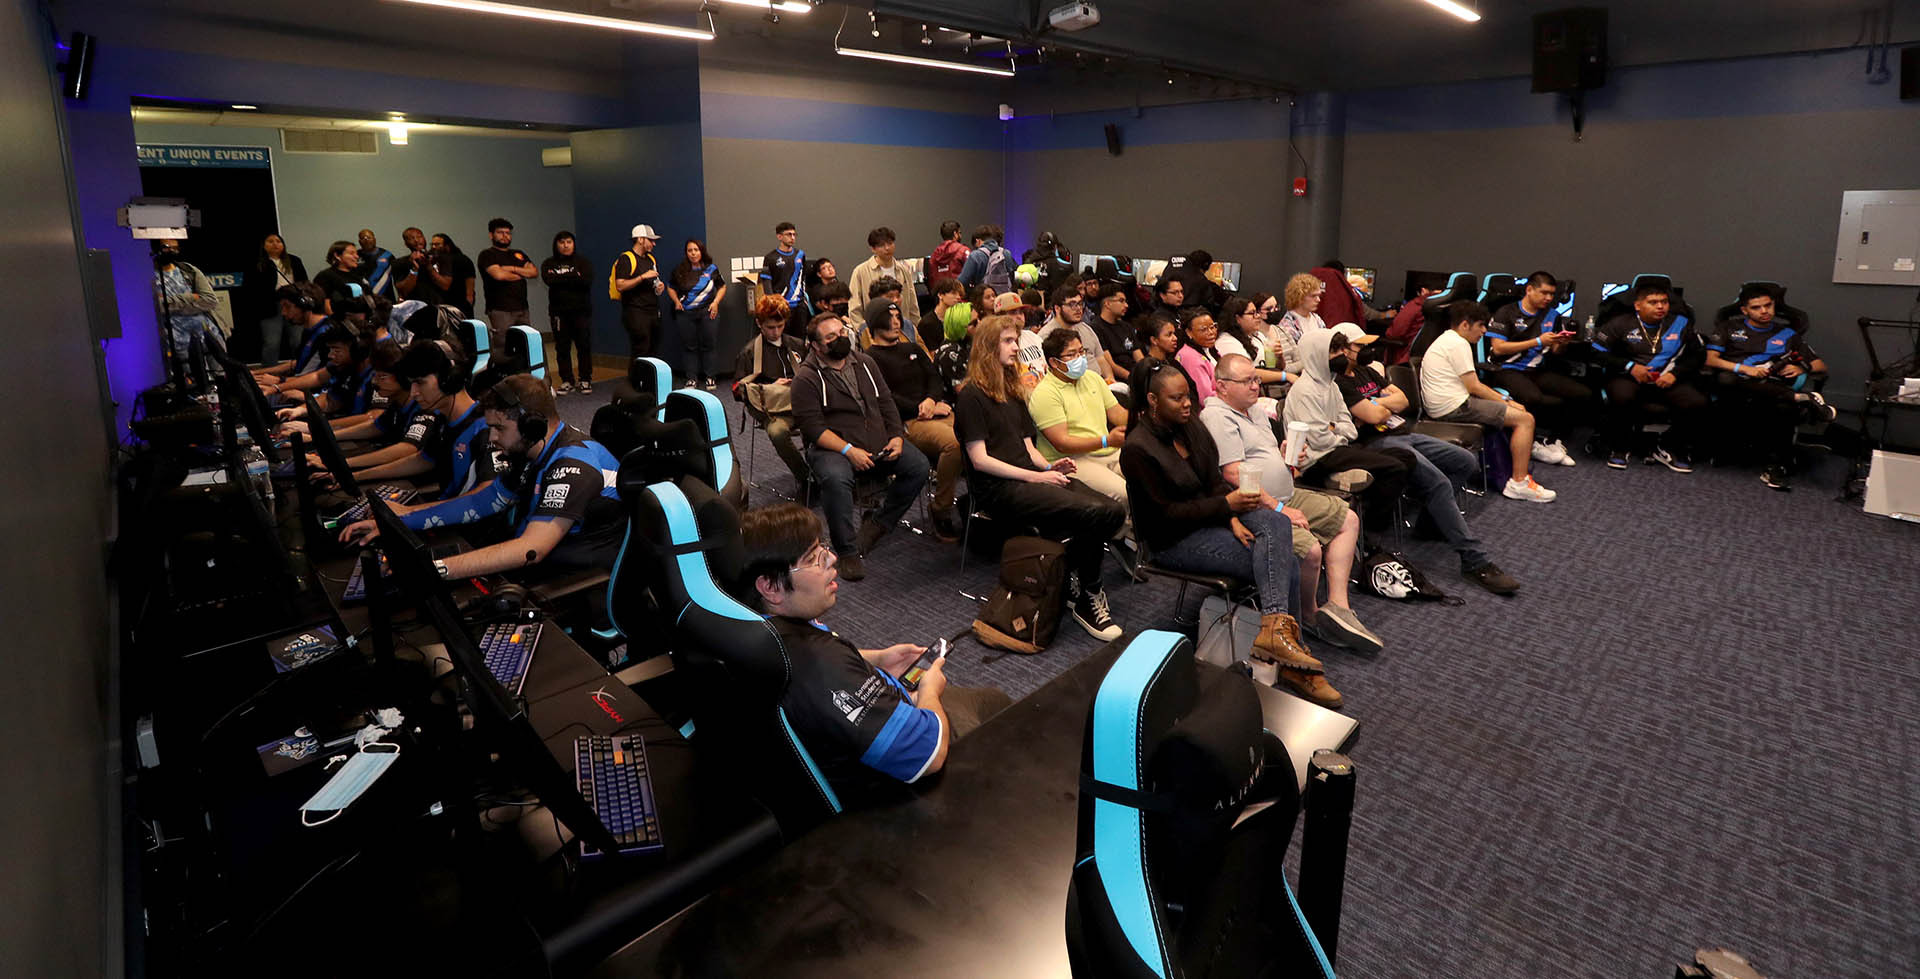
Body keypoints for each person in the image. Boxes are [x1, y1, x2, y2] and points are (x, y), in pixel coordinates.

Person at [732, 504, 1012, 793]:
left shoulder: (751, 627)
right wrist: (929, 690)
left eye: (822, 548)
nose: (831, 558)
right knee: (998, 713)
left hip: (865, 719)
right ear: (770, 587)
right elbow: (929, 756)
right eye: (813, 557)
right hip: (900, 777)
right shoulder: (820, 663)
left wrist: (876, 659)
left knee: (992, 699)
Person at [1119, 361, 1340, 708]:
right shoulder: (1138, 449)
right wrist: (1227, 509)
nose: (1187, 403)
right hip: (1172, 541)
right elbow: (1166, 516)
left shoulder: (1189, 427)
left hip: (1211, 519)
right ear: (1152, 400)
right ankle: (1292, 659)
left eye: (1188, 395)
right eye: (1176, 399)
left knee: (1276, 525)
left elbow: (1213, 482)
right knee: (1283, 560)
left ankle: (1277, 634)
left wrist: (1232, 516)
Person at [341, 374, 623, 579]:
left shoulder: (574, 465)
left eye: (499, 428)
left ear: (532, 425)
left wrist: (436, 569)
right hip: (548, 566)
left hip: (576, 580)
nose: (492, 438)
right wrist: (404, 517)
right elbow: (479, 503)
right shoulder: (534, 450)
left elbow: (531, 549)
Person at [954, 316, 1127, 641]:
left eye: (1015, 341)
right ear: (988, 347)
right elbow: (981, 461)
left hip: (1029, 478)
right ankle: (1088, 594)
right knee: (1096, 512)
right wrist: (1036, 478)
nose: (1016, 347)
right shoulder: (971, 396)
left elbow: (1028, 447)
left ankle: (1067, 577)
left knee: (1111, 509)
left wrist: (1048, 469)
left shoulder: (1012, 391)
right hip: (998, 489)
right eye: (1008, 341)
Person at [1202, 353, 1381, 649]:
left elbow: (1264, 456)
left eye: (1256, 378)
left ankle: (1338, 607)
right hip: (1253, 506)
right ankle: (1309, 615)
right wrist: (1281, 509)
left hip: (1286, 492)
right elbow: (1234, 475)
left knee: (1348, 519)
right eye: (1246, 381)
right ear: (1221, 386)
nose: (1255, 386)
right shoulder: (1217, 416)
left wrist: (1287, 456)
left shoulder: (1254, 409)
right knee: (1310, 551)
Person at [1323, 327, 1520, 596]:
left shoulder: (1366, 372)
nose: (1368, 351)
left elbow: (1402, 399)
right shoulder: (1339, 383)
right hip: (1379, 444)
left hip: (1405, 432)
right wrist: (1381, 404)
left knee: (1464, 461)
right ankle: (1475, 561)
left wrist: (1381, 404)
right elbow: (1372, 416)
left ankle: (1430, 524)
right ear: (1345, 350)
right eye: (1361, 346)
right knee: (1438, 483)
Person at [791, 312, 930, 582]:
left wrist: (897, 436)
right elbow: (813, 428)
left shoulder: (865, 362)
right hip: (832, 448)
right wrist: (848, 451)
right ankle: (847, 551)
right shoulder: (806, 378)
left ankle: (879, 523)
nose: (840, 339)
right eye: (831, 337)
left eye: (842, 332)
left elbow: (887, 403)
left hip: (877, 439)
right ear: (816, 345)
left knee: (919, 467)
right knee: (835, 478)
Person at [1418, 302, 1557, 503]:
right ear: (1465, 325)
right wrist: (1507, 401)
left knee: (1516, 415)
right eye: (1481, 325)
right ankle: (1519, 482)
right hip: (1454, 407)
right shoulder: (1457, 343)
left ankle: (1513, 468)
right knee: (1525, 419)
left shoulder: (1447, 340)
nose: (1484, 331)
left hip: (1450, 403)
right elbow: (1474, 387)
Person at [1704, 285, 1833, 491]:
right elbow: (1710, 360)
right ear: (1745, 310)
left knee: (1783, 408)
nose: (1764, 311)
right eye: (1757, 307)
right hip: (1734, 385)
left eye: (1768, 306)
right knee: (1726, 380)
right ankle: (1799, 398)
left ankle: (1777, 465)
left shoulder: (1787, 334)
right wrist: (1744, 369)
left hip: (1769, 386)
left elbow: (1820, 366)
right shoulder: (1728, 327)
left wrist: (1801, 367)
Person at [329, 339, 494, 499]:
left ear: (448, 379)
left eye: (420, 383)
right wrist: (354, 476)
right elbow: (422, 460)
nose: (413, 392)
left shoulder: (484, 429)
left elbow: (479, 501)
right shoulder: (443, 419)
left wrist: (410, 513)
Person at [863, 298, 963, 540]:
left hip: (935, 410)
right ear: (876, 324)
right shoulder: (870, 358)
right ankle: (941, 508)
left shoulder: (912, 348)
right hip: (908, 423)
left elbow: (934, 378)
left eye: (898, 318)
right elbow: (884, 397)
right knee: (955, 444)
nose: (897, 323)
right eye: (891, 319)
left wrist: (930, 399)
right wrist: (921, 408)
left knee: (979, 434)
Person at [1591, 281, 1709, 472]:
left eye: (1664, 302)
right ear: (1638, 305)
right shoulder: (1620, 323)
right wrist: (1630, 366)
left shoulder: (1680, 323)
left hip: (1667, 379)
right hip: (1629, 376)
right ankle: (1621, 446)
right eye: (1653, 302)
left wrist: (1674, 374)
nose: (1660, 306)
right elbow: (1595, 352)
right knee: (1622, 395)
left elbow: (1698, 355)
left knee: (1697, 402)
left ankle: (1668, 446)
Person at [1485, 271, 1588, 468]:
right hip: (1505, 368)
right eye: (1544, 293)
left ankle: (1553, 441)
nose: (1549, 298)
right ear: (1529, 289)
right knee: (1533, 398)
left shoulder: (1553, 315)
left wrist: (1562, 343)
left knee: (1582, 393)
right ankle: (1529, 443)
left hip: (1536, 370)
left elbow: (1555, 352)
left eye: (1552, 294)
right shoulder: (1506, 312)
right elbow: (1498, 348)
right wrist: (1537, 341)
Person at [1029, 327, 1129, 504]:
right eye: (1072, 354)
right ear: (1054, 362)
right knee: (1123, 494)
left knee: (1147, 479)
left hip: (1110, 452)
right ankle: (1123, 531)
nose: (1080, 358)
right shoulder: (1045, 393)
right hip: (1074, 461)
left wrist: (1146, 417)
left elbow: (1119, 415)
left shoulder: (1092, 377)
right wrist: (1107, 440)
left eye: (1081, 351)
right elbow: (1062, 443)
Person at [731, 296, 810, 486]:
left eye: (780, 326)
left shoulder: (797, 345)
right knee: (777, 433)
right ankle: (806, 479)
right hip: (773, 411)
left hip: (804, 404)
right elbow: (736, 391)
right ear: (759, 324)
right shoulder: (749, 352)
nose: (776, 332)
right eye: (770, 327)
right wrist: (772, 386)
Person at [152, 240, 228, 363]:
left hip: (210, 338)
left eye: (175, 248)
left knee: (221, 377)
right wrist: (192, 297)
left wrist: (172, 303)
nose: (171, 251)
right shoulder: (147, 275)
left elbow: (210, 300)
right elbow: (157, 306)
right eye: (166, 247)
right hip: (178, 346)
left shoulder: (189, 270)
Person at [253, 283, 332, 398]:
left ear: (305, 305)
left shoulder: (326, 334)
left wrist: (279, 381)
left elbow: (318, 377)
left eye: (287, 306)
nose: (283, 313)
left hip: (310, 396)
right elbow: (299, 363)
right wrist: (258, 373)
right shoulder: (309, 329)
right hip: (298, 389)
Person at [541, 231, 594, 395]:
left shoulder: (583, 262)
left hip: (581, 311)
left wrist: (562, 278)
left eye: (569, 242)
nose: (565, 245)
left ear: (573, 243)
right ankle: (567, 380)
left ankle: (585, 379)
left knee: (583, 346)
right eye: (562, 242)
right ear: (556, 244)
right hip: (559, 313)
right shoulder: (548, 263)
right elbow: (550, 281)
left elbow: (586, 281)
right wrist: (572, 277)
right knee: (562, 347)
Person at [669, 237, 725, 390]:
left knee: (709, 345)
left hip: (708, 312)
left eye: (696, 250)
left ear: (701, 251)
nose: (693, 253)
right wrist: (676, 301)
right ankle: (692, 378)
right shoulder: (680, 270)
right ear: (686, 253)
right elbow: (671, 287)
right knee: (689, 346)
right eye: (689, 250)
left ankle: (710, 377)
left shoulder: (711, 269)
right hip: (685, 314)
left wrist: (715, 303)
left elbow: (722, 287)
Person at [847, 227, 921, 335]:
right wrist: (864, 331)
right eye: (881, 245)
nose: (887, 248)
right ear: (873, 249)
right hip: (875, 331)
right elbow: (854, 306)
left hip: (903, 328)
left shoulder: (903, 270)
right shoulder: (860, 271)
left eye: (890, 243)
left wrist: (915, 326)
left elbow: (912, 302)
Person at [1037, 284, 1114, 385]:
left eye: (1080, 303)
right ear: (1057, 308)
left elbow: (1100, 358)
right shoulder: (1046, 336)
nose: (1078, 309)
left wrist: (1110, 380)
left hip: (1100, 383)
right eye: (1072, 304)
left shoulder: (1085, 328)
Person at [249, 234, 309, 363]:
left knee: (298, 341)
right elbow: (253, 288)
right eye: (270, 241)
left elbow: (304, 282)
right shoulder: (259, 264)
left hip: (294, 303)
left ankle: (301, 369)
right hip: (271, 306)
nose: (275, 244)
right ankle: (269, 372)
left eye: (278, 241)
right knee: (271, 343)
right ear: (264, 246)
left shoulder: (294, 260)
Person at [476, 217, 537, 342]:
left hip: (522, 308)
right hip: (500, 309)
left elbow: (533, 272)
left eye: (508, 233)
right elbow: (499, 275)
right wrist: (522, 273)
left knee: (525, 343)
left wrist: (511, 268)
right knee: (504, 345)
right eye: (500, 232)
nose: (505, 236)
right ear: (491, 235)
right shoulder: (487, 255)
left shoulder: (518, 254)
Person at [612, 223, 666, 359]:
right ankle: (638, 378)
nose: (654, 244)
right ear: (640, 239)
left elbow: (654, 282)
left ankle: (651, 378)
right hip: (635, 311)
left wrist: (659, 287)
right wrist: (642, 277)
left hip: (652, 310)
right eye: (650, 240)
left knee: (653, 348)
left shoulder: (650, 259)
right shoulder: (626, 259)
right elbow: (620, 285)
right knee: (641, 347)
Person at [1220, 296, 1293, 386]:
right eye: (1252, 313)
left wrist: (1279, 357)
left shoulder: (1257, 336)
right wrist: (1285, 376)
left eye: (1257, 312)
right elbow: (1246, 373)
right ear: (1238, 318)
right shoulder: (1227, 342)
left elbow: (1277, 367)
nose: (1258, 316)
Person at [1088, 281, 1140, 384]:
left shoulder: (1127, 326)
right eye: (1121, 301)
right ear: (1107, 304)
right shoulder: (1095, 328)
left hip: (1136, 374)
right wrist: (1135, 380)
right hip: (1118, 380)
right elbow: (1110, 364)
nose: (1126, 305)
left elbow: (1139, 357)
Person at [760, 222, 810, 329]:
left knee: (799, 340)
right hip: (782, 306)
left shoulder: (800, 254)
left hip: (799, 306)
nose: (792, 238)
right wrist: (773, 304)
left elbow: (803, 278)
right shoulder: (770, 258)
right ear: (779, 236)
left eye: (794, 234)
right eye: (788, 234)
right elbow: (766, 283)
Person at [1174, 308, 1223, 404]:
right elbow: (1206, 398)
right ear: (1189, 332)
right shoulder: (1189, 357)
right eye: (1204, 329)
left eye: (1213, 327)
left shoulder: (1209, 349)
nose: (1211, 332)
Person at [1276, 273, 1323, 367]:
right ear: (1299, 297)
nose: (1318, 300)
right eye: (1313, 296)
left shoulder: (1317, 319)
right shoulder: (1287, 326)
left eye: (1318, 296)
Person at [424, 233, 476, 317]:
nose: (433, 247)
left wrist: (469, 297)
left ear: (447, 246)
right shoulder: (433, 260)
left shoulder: (461, 259)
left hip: (459, 301)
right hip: (441, 302)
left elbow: (470, 278)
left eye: (437, 244)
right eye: (432, 244)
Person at [311, 240, 369, 315]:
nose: (357, 256)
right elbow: (324, 304)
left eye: (356, 253)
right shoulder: (325, 276)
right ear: (337, 256)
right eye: (351, 253)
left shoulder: (358, 274)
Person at [932, 302, 977, 397]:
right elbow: (964, 394)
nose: (980, 324)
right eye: (974, 323)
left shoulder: (968, 344)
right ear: (960, 326)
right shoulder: (949, 353)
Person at [1383, 284, 1434, 366]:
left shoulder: (1415, 306)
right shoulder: (1450, 306)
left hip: (1407, 359)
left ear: (1423, 291)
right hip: (1430, 360)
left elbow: (1394, 333)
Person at [957, 224, 1012, 293]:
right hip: (1004, 297)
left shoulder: (975, 255)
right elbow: (1012, 276)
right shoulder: (1006, 253)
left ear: (978, 241)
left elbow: (962, 281)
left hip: (983, 298)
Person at [918, 276, 963, 352]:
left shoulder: (959, 319)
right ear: (940, 295)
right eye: (953, 293)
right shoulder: (927, 324)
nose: (958, 297)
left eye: (960, 294)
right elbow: (931, 354)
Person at [356, 229, 397, 300]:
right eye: (363, 238)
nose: (366, 240)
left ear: (374, 239)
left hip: (386, 299)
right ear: (359, 242)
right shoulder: (355, 256)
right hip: (363, 300)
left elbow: (397, 277)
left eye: (369, 237)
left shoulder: (387, 255)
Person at [393, 228, 430, 302]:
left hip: (440, 307)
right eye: (411, 238)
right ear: (406, 244)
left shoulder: (438, 258)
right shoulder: (399, 263)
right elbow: (403, 291)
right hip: (414, 306)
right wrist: (414, 269)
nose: (416, 240)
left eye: (419, 237)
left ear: (424, 238)